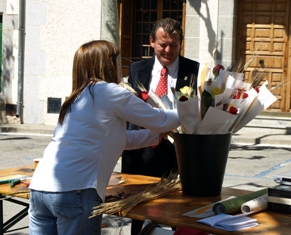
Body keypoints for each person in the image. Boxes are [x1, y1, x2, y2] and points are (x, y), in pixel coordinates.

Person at [28, 40, 180, 235]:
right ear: (106, 65)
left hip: (40, 188)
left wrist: (155, 136)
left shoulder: (75, 97)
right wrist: (194, 111)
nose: (119, 67)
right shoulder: (109, 91)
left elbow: (120, 139)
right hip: (76, 190)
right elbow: (160, 119)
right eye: (115, 61)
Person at [121, 18, 200, 234]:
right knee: (137, 213)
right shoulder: (138, 69)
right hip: (141, 151)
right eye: (162, 44)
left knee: (178, 213)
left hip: (176, 152)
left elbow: (195, 112)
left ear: (180, 43)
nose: (168, 50)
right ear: (152, 42)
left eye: (173, 45)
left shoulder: (193, 70)